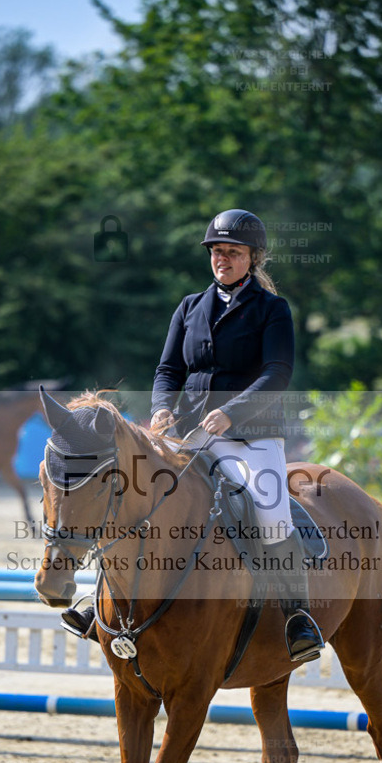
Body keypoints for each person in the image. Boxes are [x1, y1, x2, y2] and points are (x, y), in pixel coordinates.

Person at [149, 208, 324, 663]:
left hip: (251, 435)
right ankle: (111, 605)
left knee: (269, 509)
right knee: (141, 495)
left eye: (232, 252)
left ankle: (296, 616)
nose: (221, 259)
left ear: (253, 258)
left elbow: (278, 372)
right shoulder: (189, 307)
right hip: (190, 432)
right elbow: (169, 369)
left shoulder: (272, 310)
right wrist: (161, 408)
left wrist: (232, 411)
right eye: (216, 251)